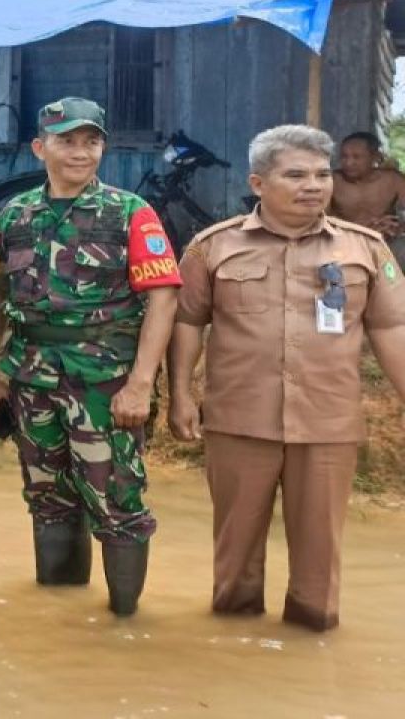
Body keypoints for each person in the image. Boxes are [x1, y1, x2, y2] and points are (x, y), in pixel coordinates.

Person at [168, 125, 405, 632]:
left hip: (327, 425)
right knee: (235, 567)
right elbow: (187, 321)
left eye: (322, 174)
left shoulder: (366, 250)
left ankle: (309, 646)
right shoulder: (213, 247)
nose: (313, 185)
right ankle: (233, 656)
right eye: (295, 174)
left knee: (319, 566)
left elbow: (392, 328)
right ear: (258, 183)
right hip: (238, 421)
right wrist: (180, 396)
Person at [0, 97, 180, 616]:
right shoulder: (14, 214)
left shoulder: (131, 212)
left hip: (104, 379)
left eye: (90, 140)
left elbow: (163, 297)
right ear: (39, 147)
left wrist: (141, 382)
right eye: (66, 140)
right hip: (30, 375)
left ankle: (123, 627)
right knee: (47, 494)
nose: (79, 151)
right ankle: (60, 619)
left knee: (117, 498)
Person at [330, 131, 405, 265]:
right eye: (344, 157)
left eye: (356, 157)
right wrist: (359, 229)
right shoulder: (332, 180)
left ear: (375, 157)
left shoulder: (393, 180)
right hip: (344, 243)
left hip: (386, 243)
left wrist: (399, 227)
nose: (348, 162)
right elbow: (318, 220)